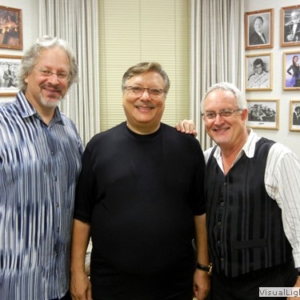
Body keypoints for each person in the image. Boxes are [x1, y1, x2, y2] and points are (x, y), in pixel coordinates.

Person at [70, 62, 210, 300]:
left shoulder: (187, 146)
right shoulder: (98, 146)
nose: (145, 97)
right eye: (136, 89)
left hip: (174, 282)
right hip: (111, 283)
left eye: (155, 91)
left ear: (164, 97)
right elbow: (82, 217)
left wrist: (202, 268)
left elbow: (200, 214)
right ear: (124, 94)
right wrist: (77, 272)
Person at [176, 82, 300, 300]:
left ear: (243, 115)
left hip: (271, 287)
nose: (218, 121)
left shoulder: (277, 157)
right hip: (221, 287)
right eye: (210, 114)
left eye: (226, 112)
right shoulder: (204, 161)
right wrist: (182, 139)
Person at [0, 36, 84, 300]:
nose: (54, 80)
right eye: (45, 71)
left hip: (61, 285)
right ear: (26, 74)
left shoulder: (70, 130)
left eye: (62, 74)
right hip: (14, 285)